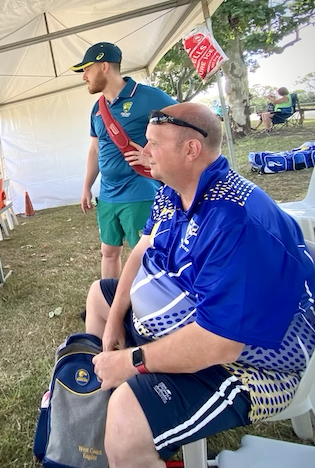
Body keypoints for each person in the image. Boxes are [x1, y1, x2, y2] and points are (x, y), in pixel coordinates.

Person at [85, 102, 315, 467]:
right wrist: (114, 320)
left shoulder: (235, 221)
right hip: (195, 320)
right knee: (101, 296)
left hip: (254, 365)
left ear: (191, 150)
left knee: (127, 422)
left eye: (154, 145)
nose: (144, 153)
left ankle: (129, 434)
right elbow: (141, 251)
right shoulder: (173, 189)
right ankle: (103, 411)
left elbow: (219, 343)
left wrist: (132, 361)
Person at [71, 42, 177, 278]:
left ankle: (148, 306)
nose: (84, 77)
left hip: (139, 191)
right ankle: (110, 299)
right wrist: (87, 187)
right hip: (108, 194)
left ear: (105, 66)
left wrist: (153, 156)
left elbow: (186, 124)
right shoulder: (97, 109)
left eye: (87, 69)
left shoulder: (148, 97)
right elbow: (95, 151)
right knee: (108, 251)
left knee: (147, 253)